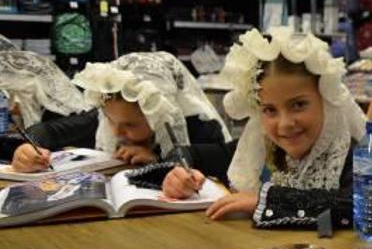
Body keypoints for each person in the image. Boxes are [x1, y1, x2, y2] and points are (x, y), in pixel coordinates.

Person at [159, 28, 365, 229]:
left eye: (299, 105)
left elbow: (355, 205)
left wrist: (265, 201)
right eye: (270, 110)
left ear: (326, 100)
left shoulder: (353, 156)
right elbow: (189, 154)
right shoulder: (259, 146)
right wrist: (179, 173)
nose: (285, 124)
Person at [9, 51, 231, 172]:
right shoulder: (108, 120)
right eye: (109, 119)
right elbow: (48, 132)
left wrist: (159, 162)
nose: (116, 132)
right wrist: (29, 147)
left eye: (131, 125)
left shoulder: (202, 128)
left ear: (159, 114)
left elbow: (216, 171)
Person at [0, 50, 94, 166]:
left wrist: (21, 146)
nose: (10, 107)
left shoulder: (76, 112)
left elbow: (42, 133)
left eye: (9, 95)